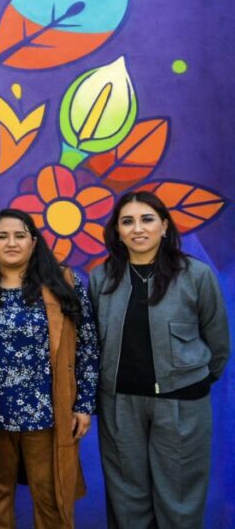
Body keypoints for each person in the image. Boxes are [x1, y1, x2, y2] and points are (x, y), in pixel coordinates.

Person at [0, 208, 98, 528]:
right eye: (2, 236)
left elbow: (87, 346)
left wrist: (83, 404)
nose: (11, 243)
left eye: (20, 236)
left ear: (33, 243)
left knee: (53, 498)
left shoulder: (64, 284)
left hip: (48, 416)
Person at [91, 190, 229, 527]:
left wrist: (191, 381)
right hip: (119, 404)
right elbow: (91, 342)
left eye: (147, 219)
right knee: (127, 498)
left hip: (181, 403)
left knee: (179, 498)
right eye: (127, 221)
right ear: (117, 230)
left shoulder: (195, 275)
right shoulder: (101, 278)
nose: (138, 228)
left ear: (164, 226)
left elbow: (218, 342)